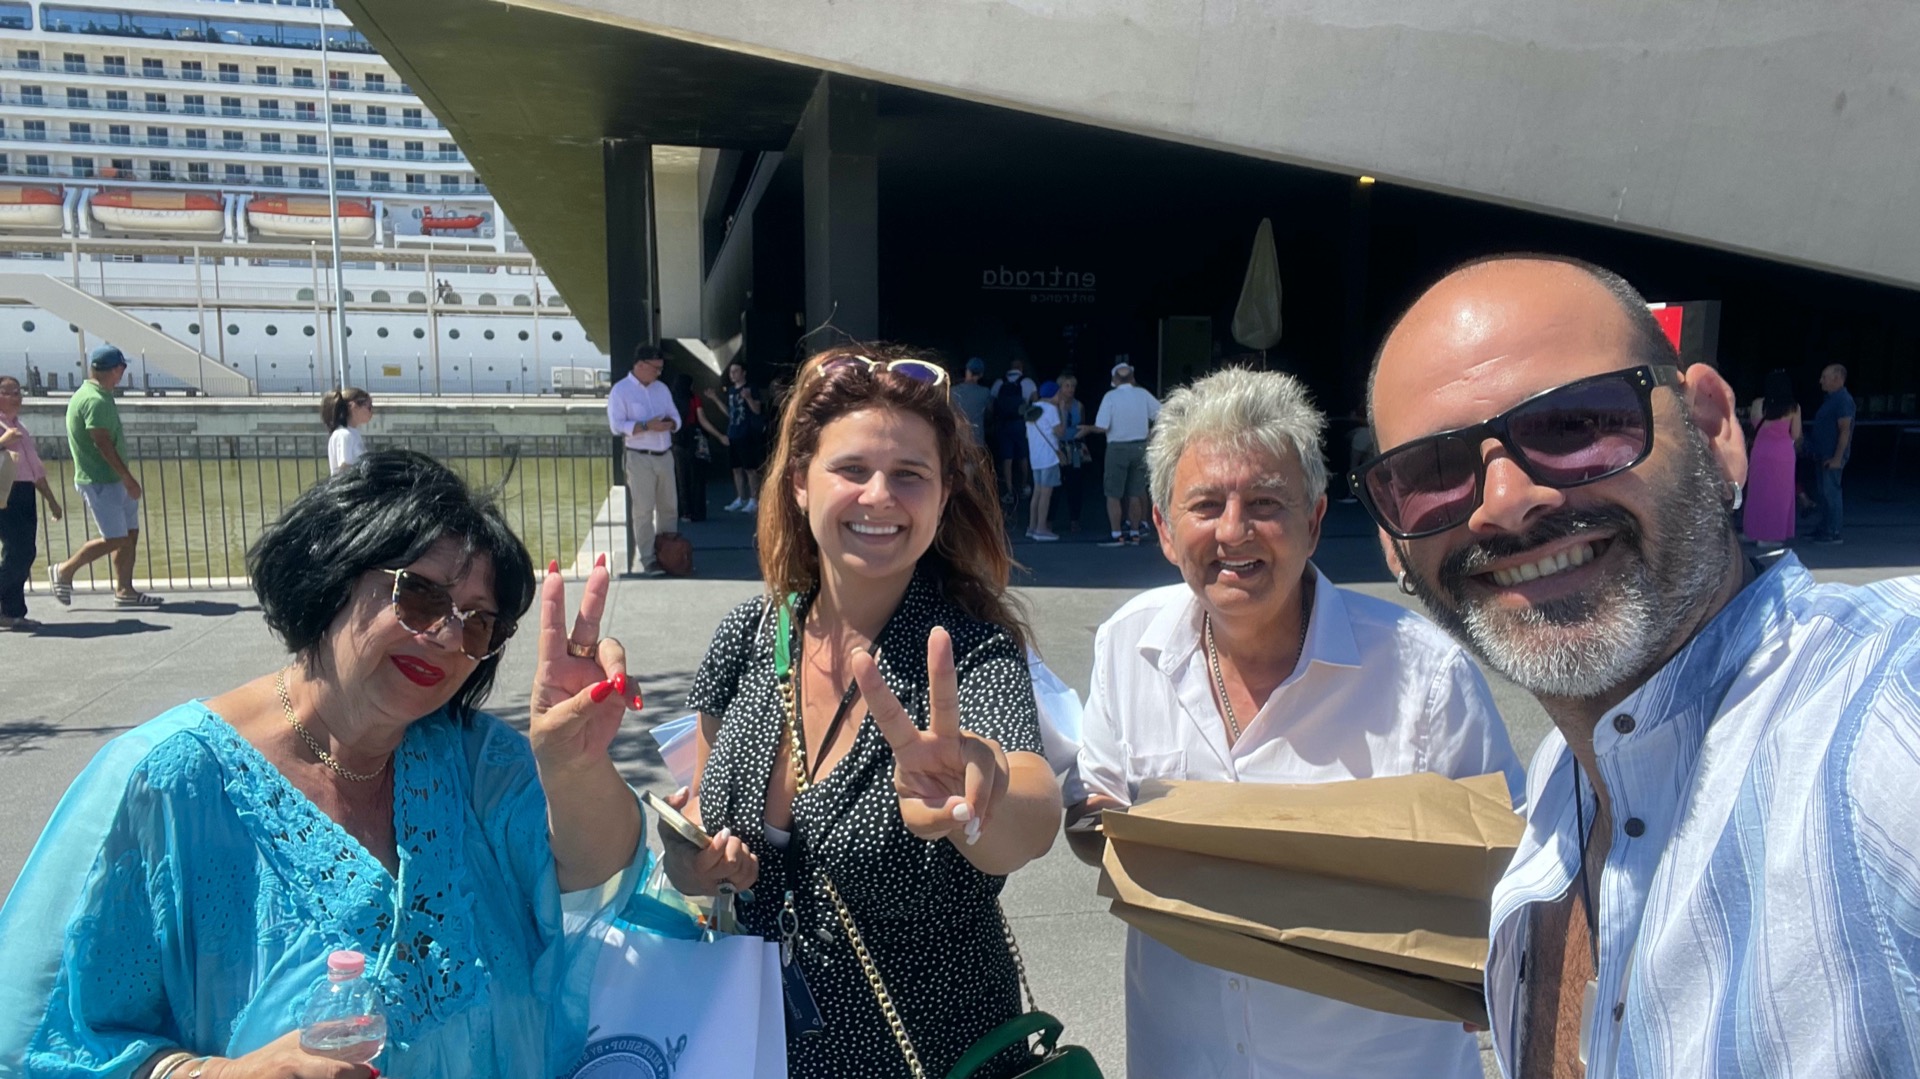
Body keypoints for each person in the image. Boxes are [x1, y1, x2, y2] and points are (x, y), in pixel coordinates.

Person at [1359, 254, 1920, 1079]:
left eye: (1575, 423)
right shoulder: (1563, 783)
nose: (1505, 501)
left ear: (1713, 428)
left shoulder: (1883, 722)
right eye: (1433, 471)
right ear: (1393, 543)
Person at [0, 449, 650, 1078]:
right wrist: (210, 1074)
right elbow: (36, 1040)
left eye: (478, 623)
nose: (448, 636)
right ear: (334, 572)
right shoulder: (165, 783)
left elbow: (599, 868)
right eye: (420, 597)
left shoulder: (475, 757)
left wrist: (574, 769)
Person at [1066, 367, 1522, 1079]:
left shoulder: (1424, 676)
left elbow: (1517, 866)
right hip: (1182, 1058)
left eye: (1265, 502)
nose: (1233, 530)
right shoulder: (1129, 645)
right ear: (1163, 529)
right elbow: (1096, 802)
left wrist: (1500, 959)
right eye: (1206, 504)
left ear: (1313, 522)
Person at [669, 344, 1060, 1079]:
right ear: (799, 484)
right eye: (851, 469)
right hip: (753, 1048)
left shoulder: (969, 650)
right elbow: (697, 804)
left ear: (943, 495)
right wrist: (694, 861)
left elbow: (1032, 816)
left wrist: (979, 789)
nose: (879, 496)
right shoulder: (749, 634)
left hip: (933, 1057)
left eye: (909, 474)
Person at [48, 345, 162, 609]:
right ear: (116, 369)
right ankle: (64, 570)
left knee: (130, 534)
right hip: (100, 480)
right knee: (116, 538)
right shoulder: (95, 400)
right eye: (123, 367)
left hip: (113, 480)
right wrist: (128, 478)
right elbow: (102, 443)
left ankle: (125, 590)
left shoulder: (98, 394)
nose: (123, 373)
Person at [606, 343, 681, 576]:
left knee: (669, 507)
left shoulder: (662, 389)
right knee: (643, 510)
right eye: (656, 368)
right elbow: (617, 425)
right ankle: (649, 558)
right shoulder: (620, 391)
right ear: (640, 365)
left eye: (661, 368)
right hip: (639, 458)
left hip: (665, 454)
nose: (659, 373)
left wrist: (671, 424)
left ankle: (669, 554)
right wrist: (648, 426)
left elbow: (676, 416)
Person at [1, 374, 65, 632]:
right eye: (8, 392)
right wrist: (2, 442)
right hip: (5, 492)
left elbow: (35, 469)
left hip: (25, 492)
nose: (16, 397)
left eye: (18, 391)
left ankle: (11, 612)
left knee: (25, 552)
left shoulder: (20, 427)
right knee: (18, 551)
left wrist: (52, 500)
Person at [1081, 361, 1160, 546]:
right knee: (1135, 492)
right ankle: (1135, 533)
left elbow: (1102, 426)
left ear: (1114, 380)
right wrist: (1152, 433)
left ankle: (1117, 534)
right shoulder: (1143, 394)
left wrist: (1088, 428)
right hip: (1140, 446)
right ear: (1132, 378)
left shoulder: (1110, 397)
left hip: (1117, 448)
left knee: (1113, 494)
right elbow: (1162, 414)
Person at [1741, 369, 1800, 546]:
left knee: (1758, 493)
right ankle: (1773, 534)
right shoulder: (1794, 408)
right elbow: (1795, 434)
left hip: (1761, 452)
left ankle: (1753, 531)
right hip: (1783, 455)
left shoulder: (1758, 404)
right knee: (1779, 495)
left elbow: (1754, 424)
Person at [1806, 362, 1854, 544]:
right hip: (1823, 453)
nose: (1821, 381)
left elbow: (1845, 430)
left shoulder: (1843, 401)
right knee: (1824, 493)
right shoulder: (1831, 400)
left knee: (1831, 492)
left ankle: (1833, 530)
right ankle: (1825, 527)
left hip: (1831, 455)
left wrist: (1837, 458)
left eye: (1824, 377)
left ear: (1837, 379)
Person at [720, 359, 767, 513]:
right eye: (731, 372)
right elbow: (730, 412)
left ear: (743, 373)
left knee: (750, 468)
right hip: (733, 432)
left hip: (747, 433)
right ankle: (740, 497)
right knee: (736, 468)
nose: (732, 374)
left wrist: (748, 398)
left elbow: (757, 410)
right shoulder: (731, 390)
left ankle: (754, 499)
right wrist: (715, 400)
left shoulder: (751, 388)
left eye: (736, 371)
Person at [989, 359, 1037, 506]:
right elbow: (1036, 403)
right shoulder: (1027, 382)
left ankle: (1009, 491)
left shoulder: (999, 382)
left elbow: (991, 405)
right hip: (1021, 423)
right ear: (1021, 368)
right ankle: (1024, 486)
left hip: (1003, 424)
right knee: (1023, 455)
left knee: (1007, 458)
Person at [1050, 376, 1090, 533]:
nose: (1070, 389)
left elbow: (1082, 425)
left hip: (1074, 447)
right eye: (1067, 386)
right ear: (1060, 388)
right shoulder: (1053, 406)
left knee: (1075, 485)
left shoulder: (1079, 405)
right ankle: (1049, 520)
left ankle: (1075, 520)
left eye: (1073, 386)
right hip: (1058, 448)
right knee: (1055, 485)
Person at [670, 373, 709, 522]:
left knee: (681, 478)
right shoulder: (694, 399)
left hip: (677, 440)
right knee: (696, 477)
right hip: (693, 439)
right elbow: (702, 420)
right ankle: (697, 510)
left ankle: (684, 511)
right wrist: (719, 435)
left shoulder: (671, 399)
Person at [1023, 400, 1061, 541]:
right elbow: (1060, 431)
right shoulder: (1051, 409)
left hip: (1036, 457)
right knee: (1046, 494)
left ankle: (1032, 527)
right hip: (1049, 458)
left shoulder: (1031, 409)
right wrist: (1062, 411)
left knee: (1037, 493)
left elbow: (1027, 435)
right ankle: (1041, 528)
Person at [321, 385, 374, 474]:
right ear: (353, 406)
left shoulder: (353, 433)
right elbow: (344, 467)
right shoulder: (344, 435)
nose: (372, 411)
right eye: (369, 407)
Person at [952, 356, 994, 448]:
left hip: (957, 440)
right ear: (981, 375)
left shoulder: (953, 391)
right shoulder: (985, 392)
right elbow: (990, 414)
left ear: (967, 371)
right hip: (976, 441)